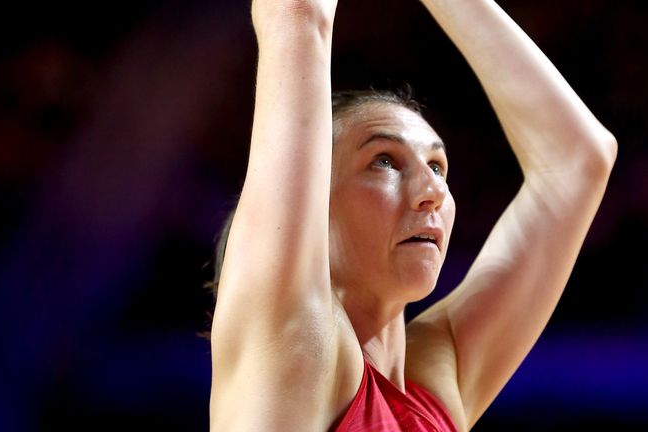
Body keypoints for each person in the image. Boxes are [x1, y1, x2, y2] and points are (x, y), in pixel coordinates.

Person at [208, 0, 617, 430]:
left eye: (438, 167)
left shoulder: (439, 382)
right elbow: (295, 13)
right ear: (310, 203)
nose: (434, 191)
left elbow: (578, 161)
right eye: (384, 161)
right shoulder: (288, 343)